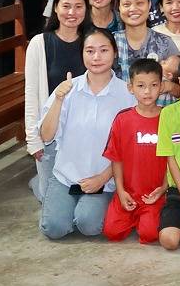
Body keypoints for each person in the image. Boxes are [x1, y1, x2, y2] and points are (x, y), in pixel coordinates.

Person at [39, 31, 136, 239]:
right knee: (53, 228)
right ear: (82, 54)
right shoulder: (68, 89)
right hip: (66, 176)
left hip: (105, 180)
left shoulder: (127, 94)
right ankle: (42, 187)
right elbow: (46, 136)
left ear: (115, 53)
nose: (96, 57)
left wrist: (103, 178)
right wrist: (58, 100)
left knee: (88, 224)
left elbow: (131, 149)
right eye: (90, 51)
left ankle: (88, 205)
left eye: (104, 50)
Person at [25, 0, 88, 201]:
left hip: (83, 133)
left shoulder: (92, 42)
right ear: (55, 8)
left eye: (78, 6)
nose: (72, 12)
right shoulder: (39, 43)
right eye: (66, 6)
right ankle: (38, 183)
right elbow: (31, 95)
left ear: (86, 9)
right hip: (50, 133)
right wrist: (33, 140)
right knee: (49, 200)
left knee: (79, 195)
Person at [102, 58, 167, 244]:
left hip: (156, 195)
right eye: (141, 86)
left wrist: (163, 189)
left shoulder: (168, 118)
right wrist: (121, 191)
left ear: (161, 87)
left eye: (153, 85)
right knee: (111, 232)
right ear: (131, 88)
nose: (147, 91)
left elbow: (174, 160)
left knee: (150, 234)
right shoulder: (122, 119)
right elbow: (116, 158)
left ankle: (146, 218)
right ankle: (134, 216)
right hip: (129, 193)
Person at [111, 0, 180, 86]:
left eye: (139, 3)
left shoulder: (164, 42)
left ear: (149, 4)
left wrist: (167, 87)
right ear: (119, 7)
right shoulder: (111, 42)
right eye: (126, 5)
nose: (133, 9)